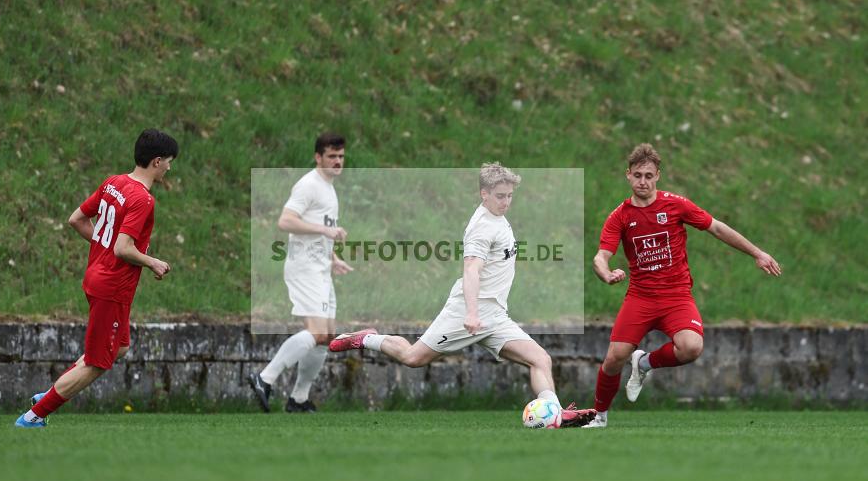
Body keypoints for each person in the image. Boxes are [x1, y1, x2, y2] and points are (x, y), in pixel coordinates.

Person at [329, 163, 596, 427]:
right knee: (413, 358)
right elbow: (471, 270)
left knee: (540, 359)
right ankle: (368, 338)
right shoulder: (481, 227)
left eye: (510, 196)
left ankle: (556, 414)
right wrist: (470, 312)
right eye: (500, 196)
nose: (506, 202)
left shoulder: (499, 219)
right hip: (468, 313)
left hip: (495, 316)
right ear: (484, 193)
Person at [583, 143, 782, 428]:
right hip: (640, 297)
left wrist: (758, 253)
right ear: (628, 175)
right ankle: (598, 415)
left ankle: (644, 364)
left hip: (676, 296)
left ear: (658, 176)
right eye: (637, 175)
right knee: (614, 357)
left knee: (691, 347)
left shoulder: (675, 205)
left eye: (649, 175)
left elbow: (716, 227)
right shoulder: (621, 216)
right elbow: (601, 256)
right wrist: (605, 273)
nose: (643, 181)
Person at [15, 129, 179, 428]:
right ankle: (33, 416)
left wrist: (103, 243)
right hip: (113, 287)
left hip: (96, 277)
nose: (170, 167)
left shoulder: (114, 183)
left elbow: (76, 219)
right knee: (97, 362)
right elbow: (122, 248)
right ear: (157, 161)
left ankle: (47, 397)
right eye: (169, 161)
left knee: (120, 347)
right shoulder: (143, 199)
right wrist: (152, 262)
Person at [249, 133, 353, 413]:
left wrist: (333, 258)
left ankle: (298, 399)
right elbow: (285, 221)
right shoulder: (309, 184)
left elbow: (318, 230)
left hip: (320, 268)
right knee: (318, 332)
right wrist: (325, 231)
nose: (337, 161)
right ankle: (265, 378)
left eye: (341, 156)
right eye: (332, 156)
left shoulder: (329, 187)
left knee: (327, 336)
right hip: (304, 269)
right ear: (318, 157)